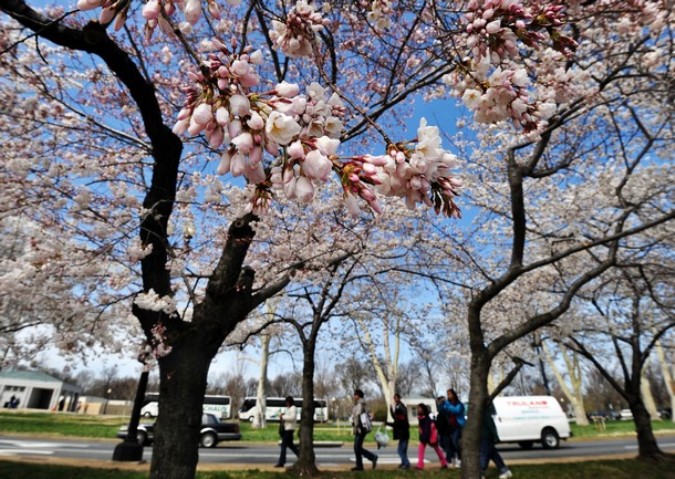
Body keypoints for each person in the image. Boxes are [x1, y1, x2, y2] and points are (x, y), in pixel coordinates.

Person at [480, 402, 512, 479]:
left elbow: (491, 425)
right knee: (492, 454)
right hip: (484, 436)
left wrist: (495, 436)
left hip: (486, 436)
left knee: (485, 454)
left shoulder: (484, 412)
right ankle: (504, 470)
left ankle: (481, 472)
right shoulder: (482, 411)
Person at [351, 389, 378, 471]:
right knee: (356, 447)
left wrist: (355, 425)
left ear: (358, 396)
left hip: (360, 429)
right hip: (361, 428)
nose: (354, 396)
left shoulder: (360, 404)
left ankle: (372, 457)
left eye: (355, 395)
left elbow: (358, 417)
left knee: (357, 447)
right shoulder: (361, 404)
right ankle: (359, 466)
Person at [415, 403, 448, 470]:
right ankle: (420, 465)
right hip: (426, 437)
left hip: (430, 436)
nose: (418, 410)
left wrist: (423, 438)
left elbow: (427, 430)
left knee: (436, 449)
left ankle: (444, 463)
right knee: (425, 449)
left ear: (423, 410)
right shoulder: (421, 418)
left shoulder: (426, 419)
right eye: (417, 408)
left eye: (419, 408)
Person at [439, 388, 466, 467]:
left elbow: (456, 411)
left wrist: (447, 404)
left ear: (454, 395)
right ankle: (453, 457)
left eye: (450, 394)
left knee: (455, 441)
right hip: (450, 426)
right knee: (448, 443)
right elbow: (441, 410)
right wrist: (441, 403)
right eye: (447, 395)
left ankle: (460, 458)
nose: (449, 396)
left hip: (458, 425)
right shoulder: (447, 404)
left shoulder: (459, 404)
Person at [386, 393, 411, 469]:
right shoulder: (399, 407)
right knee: (403, 450)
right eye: (394, 398)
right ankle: (404, 463)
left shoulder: (401, 408)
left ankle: (406, 464)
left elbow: (397, 422)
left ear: (399, 398)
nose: (395, 399)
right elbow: (395, 418)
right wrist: (390, 409)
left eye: (396, 398)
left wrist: (387, 423)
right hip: (403, 433)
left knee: (400, 450)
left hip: (403, 433)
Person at [275, 396, 300, 468]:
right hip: (287, 428)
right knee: (291, 445)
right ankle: (301, 456)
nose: (286, 404)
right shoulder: (289, 409)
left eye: (287, 402)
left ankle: (281, 462)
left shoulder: (293, 408)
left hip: (289, 429)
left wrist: (283, 417)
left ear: (290, 402)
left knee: (283, 446)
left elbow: (292, 417)